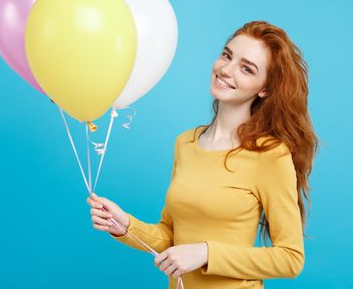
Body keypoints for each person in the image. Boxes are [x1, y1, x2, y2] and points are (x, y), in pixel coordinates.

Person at [87, 20, 319, 288]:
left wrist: (206, 253)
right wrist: (125, 225)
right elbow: (171, 236)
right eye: (226, 55)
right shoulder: (185, 143)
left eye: (246, 69)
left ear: (264, 88)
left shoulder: (270, 155)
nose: (226, 70)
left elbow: (290, 259)